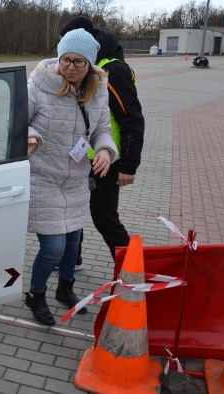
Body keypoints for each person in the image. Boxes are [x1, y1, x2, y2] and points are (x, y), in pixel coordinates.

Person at [24, 28, 118, 326]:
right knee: (54, 247)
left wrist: (105, 150)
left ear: (90, 63)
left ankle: (65, 289)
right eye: (66, 60)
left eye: (79, 62)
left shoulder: (98, 89)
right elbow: (16, 122)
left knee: (74, 242)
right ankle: (35, 295)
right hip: (43, 177)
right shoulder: (37, 85)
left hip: (76, 179)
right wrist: (30, 136)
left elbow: (102, 129)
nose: (71, 68)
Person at [59, 17, 145, 263]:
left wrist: (129, 165)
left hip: (104, 160)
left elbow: (133, 120)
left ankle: (132, 269)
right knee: (72, 211)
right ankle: (71, 259)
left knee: (104, 218)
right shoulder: (82, 66)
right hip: (77, 159)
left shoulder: (113, 71)